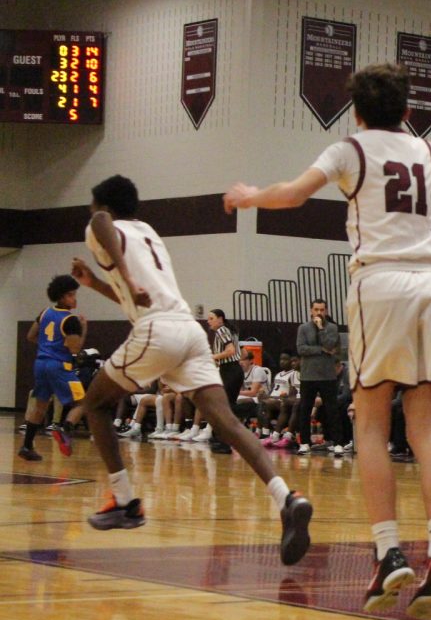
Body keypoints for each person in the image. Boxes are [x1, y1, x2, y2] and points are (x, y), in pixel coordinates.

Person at [224, 63, 431, 618]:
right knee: (424, 426)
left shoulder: (350, 148)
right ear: (407, 108)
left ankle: (388, 552)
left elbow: (294, 194)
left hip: (380, 284)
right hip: (429, 283)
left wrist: (251, 195)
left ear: (356, 110)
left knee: (369, 423)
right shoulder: (423, 149)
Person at [69, 174, 312, 564]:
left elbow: (103, 230)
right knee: (228, 423)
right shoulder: (147, 230)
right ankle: (287, 496)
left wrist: (127, 279)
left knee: (95, 404)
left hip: (157, 331)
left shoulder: (101, 225)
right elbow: (134, 294)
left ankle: (126, 500)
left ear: (104, 207)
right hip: (188, 331)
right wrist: (96, 283)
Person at [19, 275, 87, 461]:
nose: (75, 299)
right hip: (59, 366)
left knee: (40, 406)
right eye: (72, 295)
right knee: (83, 403)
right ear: (63, 297)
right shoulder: (71, 320)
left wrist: (47, 346)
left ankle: (26, 446)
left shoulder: (44, 313)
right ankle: (65, 430)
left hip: (40, 363)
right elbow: (74, 348)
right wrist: (84, 328)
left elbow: (31, 336)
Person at [292, 299, 344, 455]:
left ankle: (338, 443)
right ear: (310, 311)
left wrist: (321, 330)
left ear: (326, 311)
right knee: (305, 409)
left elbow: (330, 345)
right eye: (316, 309)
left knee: (332, 410)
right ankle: (305, 443)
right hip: (308, 375)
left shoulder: (332, 328)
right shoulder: (303, 328)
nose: (319, 313)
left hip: (327, 375)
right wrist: (321, 350)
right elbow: (301, 349)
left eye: (322, 310)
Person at [206, 308, 241, 453]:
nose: (209, 321)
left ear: (220, 319)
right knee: (226, 406)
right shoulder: (229, 330)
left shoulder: (221, 330)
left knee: (224, 407)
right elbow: (239, 352)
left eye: (211, 318)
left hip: (231, 371)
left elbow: (231, 351)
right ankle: (220, 439)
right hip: (231, 370)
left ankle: (224, 442)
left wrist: (213, 357)